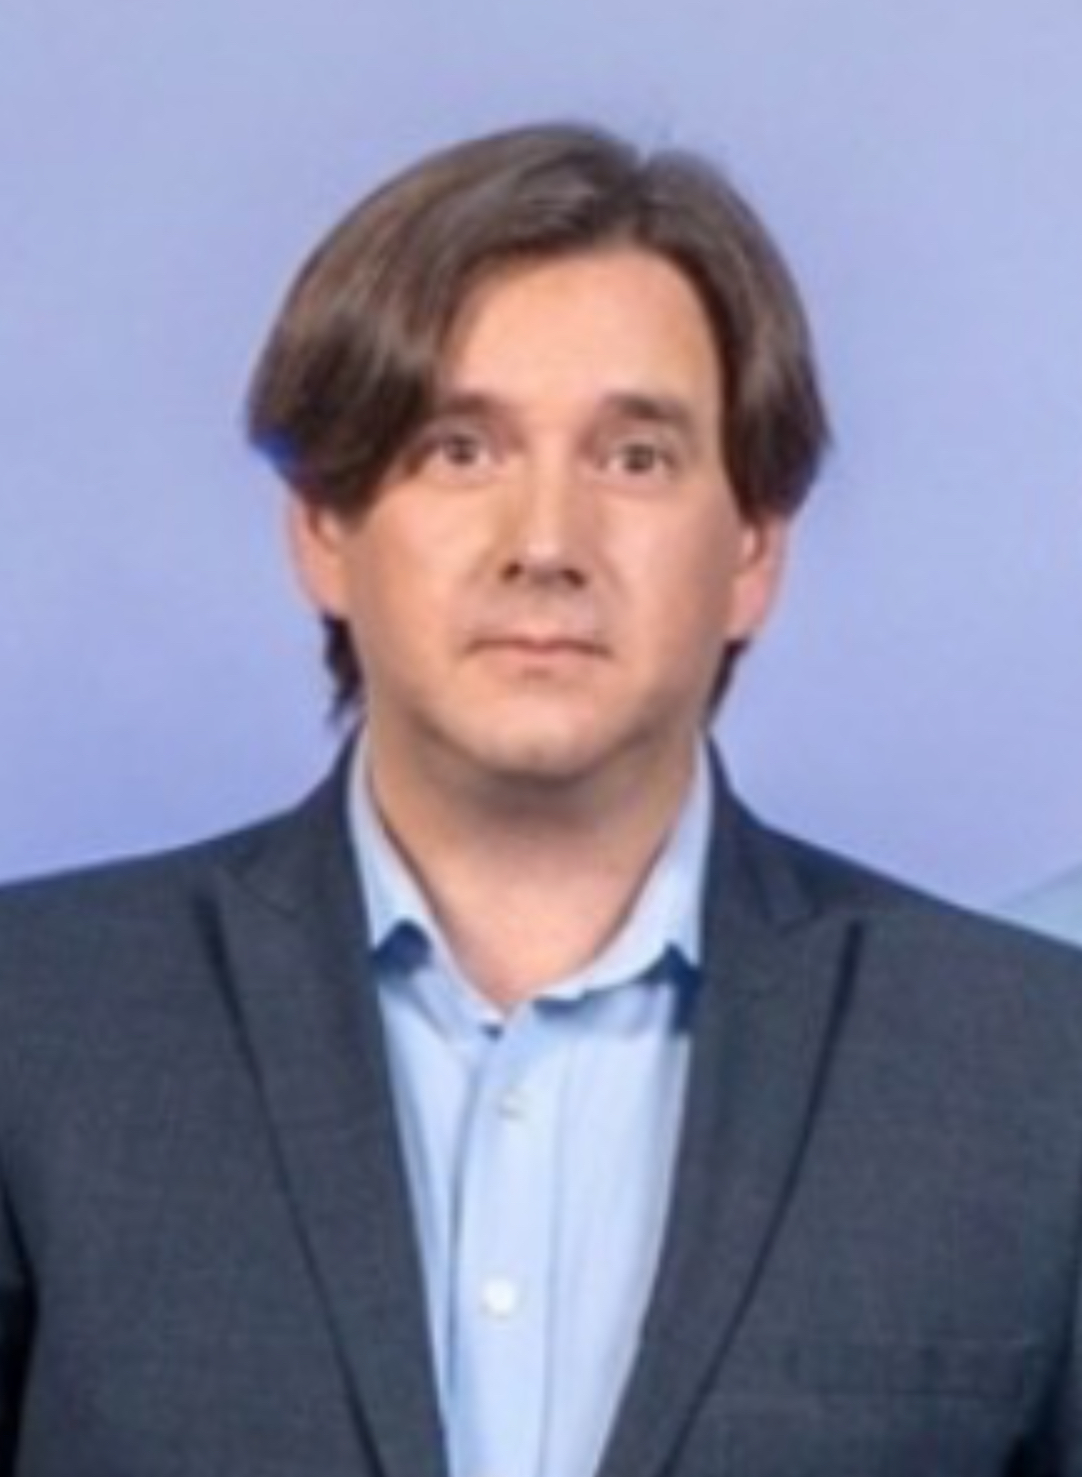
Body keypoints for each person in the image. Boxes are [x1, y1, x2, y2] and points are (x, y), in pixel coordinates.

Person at [2, 122, 1081, 1477]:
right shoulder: (34, 1023)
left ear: (753, 548)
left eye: (635, 458)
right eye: (460, 449)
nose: (548, 543)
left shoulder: (1037, 1066)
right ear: (323, 530)